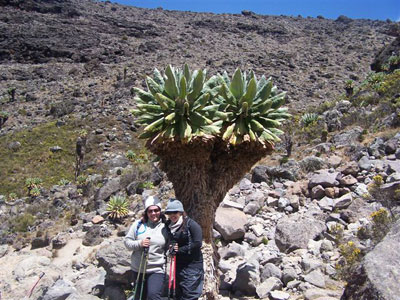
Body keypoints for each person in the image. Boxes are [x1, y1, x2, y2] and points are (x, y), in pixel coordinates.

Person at [124, 195, 168, 300]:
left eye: (156, 210)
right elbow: (127, 242)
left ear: (160, 211)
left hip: (156, 269)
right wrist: (140, 243)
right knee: (139, 297)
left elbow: (169, 246)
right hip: (138, 269)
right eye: (150, 211)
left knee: (153, 296)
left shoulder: (166, 227)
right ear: (146, 212)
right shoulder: (138, 225)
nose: (153, 213)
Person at [165, 198, 204, 300]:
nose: (172, 215)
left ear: (181, 212)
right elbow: (171, 241)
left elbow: (197, 243)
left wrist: (179, 250)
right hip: (178, 265)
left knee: (190, 294)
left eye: (175, 212)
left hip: (193, 265)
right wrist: (171, 247)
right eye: (169, 212)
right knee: (180, 293)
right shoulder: (169, 226)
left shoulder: (191, 225)